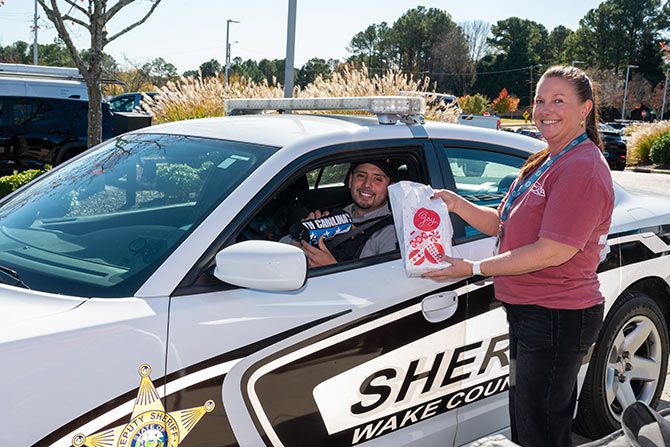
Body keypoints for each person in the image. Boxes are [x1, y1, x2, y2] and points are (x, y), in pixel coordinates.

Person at [425, 66, 615, 447]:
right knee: (530, 422)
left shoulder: (582, 167)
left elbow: (553, 250)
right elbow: (502, 223)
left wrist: (474, 269)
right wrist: (458, 204)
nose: (546, 109)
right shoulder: (548, 159)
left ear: (585, 109)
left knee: (541, 430)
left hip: (556, 316)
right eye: (540, 100)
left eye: (559, 100)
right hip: (534, 314)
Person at [287, 160, 397, 268]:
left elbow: (387, 284)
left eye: (377, 179)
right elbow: (282, 249)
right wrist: (302, 236)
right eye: (361, 176)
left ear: (390, 189)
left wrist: (332, 268)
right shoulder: (336, 215)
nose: (367, 184)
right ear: (350, 181)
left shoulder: (392, 232)